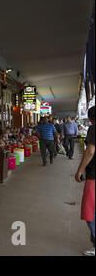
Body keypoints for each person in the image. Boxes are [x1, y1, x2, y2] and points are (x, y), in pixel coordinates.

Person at [74, 106, 95, 256]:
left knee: (89, 212)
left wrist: (80, 170)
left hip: (94, 177)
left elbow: (90, 151)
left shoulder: (93, 129)